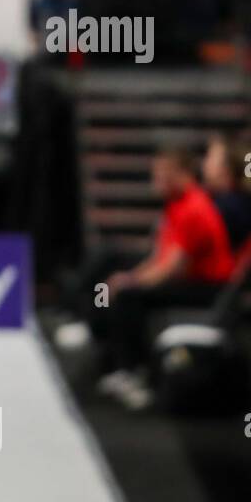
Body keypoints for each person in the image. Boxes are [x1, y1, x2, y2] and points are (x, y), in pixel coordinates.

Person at [92, 146, 236, 410]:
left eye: (159, 175)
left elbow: (172, 268)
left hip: (209, 287)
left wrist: (131, 283)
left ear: (177, 174)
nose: (154, 182)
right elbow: (159, 256)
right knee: (115, 278)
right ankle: (116, 359)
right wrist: (131, 276)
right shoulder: (176, 204)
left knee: (129, 297)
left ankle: (135, 371)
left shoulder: (194, 208)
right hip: (192, 279)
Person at [202, 133, 251, 252]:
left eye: (210, 157)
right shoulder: (241, 201)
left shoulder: (228, 208)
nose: (204, 164)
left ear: (227, 168)